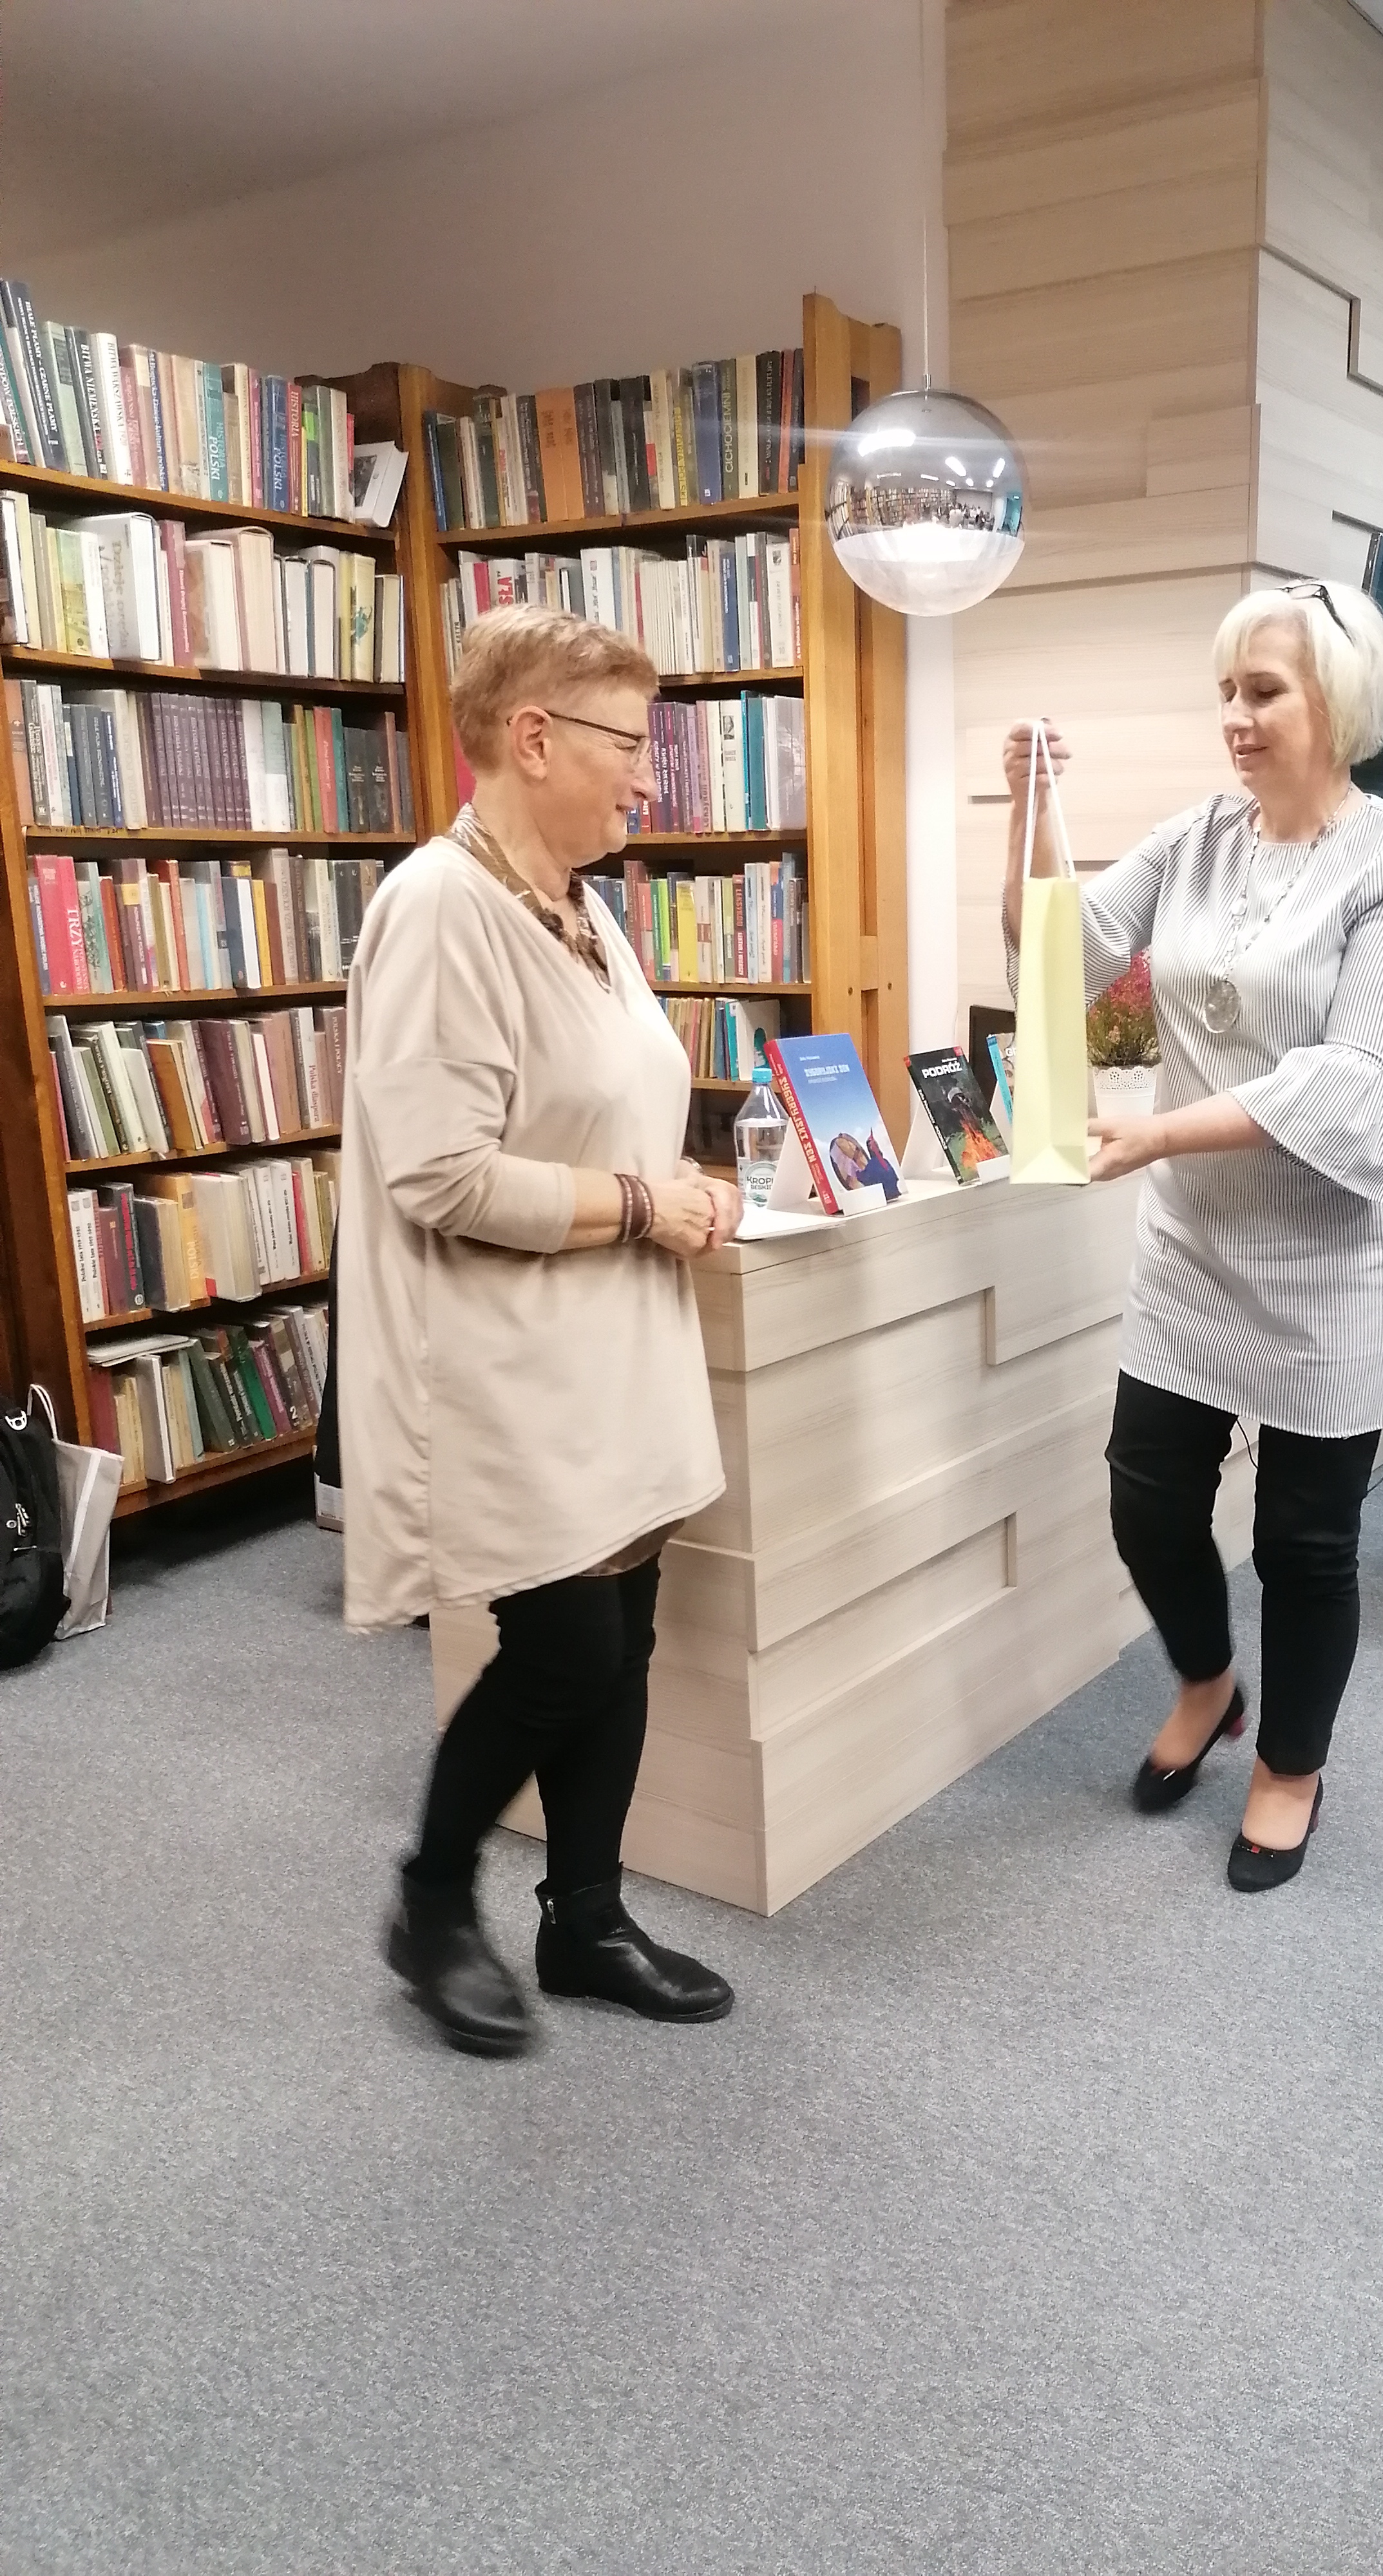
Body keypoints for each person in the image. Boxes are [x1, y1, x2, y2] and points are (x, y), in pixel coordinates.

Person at [1002, 580, 1383, 1893]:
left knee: (1305, 1541)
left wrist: (1156, 1133)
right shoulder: (1199, 836)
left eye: (1264, 692)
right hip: (1198, 1247)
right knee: (1145, 1497)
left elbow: (1351, 1082)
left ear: (1340, 701)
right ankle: (1209, 1684)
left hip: (1335, 1254)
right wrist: (1028, 812)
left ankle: (1290, 1768)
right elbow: (1059, 957)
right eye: (1227, 694)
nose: (1236, 718)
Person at [339, 604, 743, 2054]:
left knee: (623, 1641)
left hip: (612, 1349)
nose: (647, 775)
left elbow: (595, 1105)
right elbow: (441, 1175)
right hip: (508, 1364)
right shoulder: (440, 908)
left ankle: (586, 1921)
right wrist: (643, 1201)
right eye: (628, 743)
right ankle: (433, 1900)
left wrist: (680, 1177)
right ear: (531, 737)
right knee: (563, 1652)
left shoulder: (580, 906)